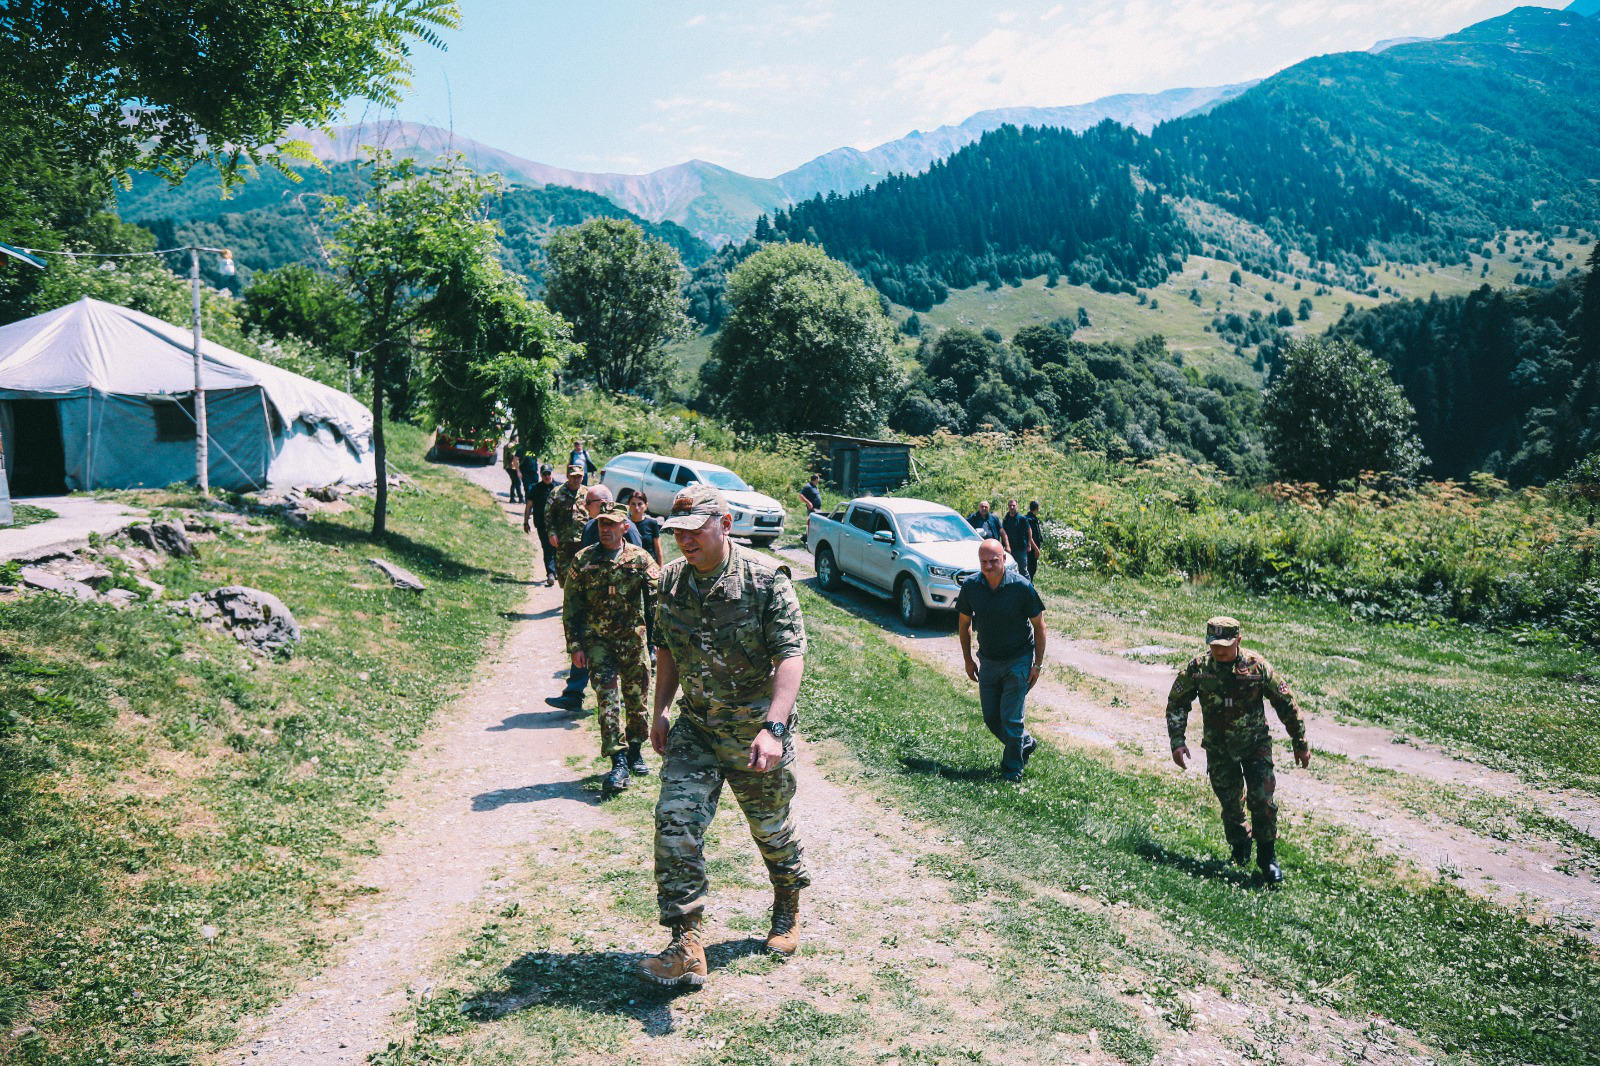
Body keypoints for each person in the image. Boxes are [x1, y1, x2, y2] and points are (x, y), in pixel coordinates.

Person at [639, 484, 810, 987]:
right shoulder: (669, 581)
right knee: (675, 821)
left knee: (771, 829)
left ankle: (787, 901)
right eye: (678, 533)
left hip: (755, 731)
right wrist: (661, 710)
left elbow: (790, 656)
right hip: (696, 727)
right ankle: (686, 942)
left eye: (696, 532)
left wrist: (774, 727)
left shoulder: (764, 579)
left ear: (726, 524)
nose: (685, 542)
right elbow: (667, 648)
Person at [1166, 616, 1310, 886]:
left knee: (1262, 801)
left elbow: (1286, 702)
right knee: (1231, 806)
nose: (1219, 651)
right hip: (1219, 749)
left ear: (1238, 641)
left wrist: (1299, 741)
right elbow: (1177, 702)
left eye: (1225, 645)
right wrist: (1177, 741)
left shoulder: (1257, 666)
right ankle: (1240, 846)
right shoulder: (1198, 668)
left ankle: (1267, 859)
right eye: (1214, 645)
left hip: (1255, 746)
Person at [564, 502, 661, 793]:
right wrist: (576, 645)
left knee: (637, 698)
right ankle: (617, 760)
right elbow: (571, 606)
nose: (605, 529)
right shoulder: (583, 560)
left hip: (632, 640)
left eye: (612, 524)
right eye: (602, 523)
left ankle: (634, 748)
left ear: (625, 527)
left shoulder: (641, 559)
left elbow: (656, 602)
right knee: (607, 699)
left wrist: (658, 642)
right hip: (597, 642)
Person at [957, 539, 1046, 782]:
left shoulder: (1021, 587)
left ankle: (1012, 772)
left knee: (1011, 719)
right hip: (989, 660)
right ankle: (1024, 743)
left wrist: (1037, 665)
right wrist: (967, 659)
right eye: (984, 562)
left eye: (994, 561)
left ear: (1004, 559)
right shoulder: (972, 586)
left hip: (1019, 658)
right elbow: (964, 624)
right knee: (991, 718)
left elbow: (1040, 626)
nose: (988, 566)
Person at [537, 466, 589, 712]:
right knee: (564, 578)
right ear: (567, 477)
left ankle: (577, 693)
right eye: (573, 476)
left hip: (584, 544)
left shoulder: (587, 494)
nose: (576, 480)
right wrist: (552, 533)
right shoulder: (557, 493)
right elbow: (548, 516)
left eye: (580, 476)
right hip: (565, 544)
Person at [577, 483, 644, 551]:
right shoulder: (589, 526)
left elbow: (637, 556)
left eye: (588, 502)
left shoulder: (625, 527)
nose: (585, 506)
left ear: (602, 503)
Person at [524, 463, 558, 586]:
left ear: (552, 473)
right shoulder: (535, 488)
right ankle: (550, 573)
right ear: (541, 475)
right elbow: (528, 506)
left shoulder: (559, 488)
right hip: (542, 524)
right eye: (544, 474)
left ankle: (556, 570)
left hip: (557, 524)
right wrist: (525, 521)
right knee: (547, 547)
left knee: (558, 547)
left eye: (549, 473)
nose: (547, 476)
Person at [1000, 499, 1034, 580]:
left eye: (1013, 505)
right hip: (1010, 549)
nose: (1012, 507)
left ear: (1016, 506)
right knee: (1011, 569)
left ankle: (1028, 587)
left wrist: (1029, 544)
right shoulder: (1006, 519)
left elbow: (1029, 531)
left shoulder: (1022, 519)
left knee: (1023, 569)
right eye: (1010, 506)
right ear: (1008, 507)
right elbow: (1003, 532)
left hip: (1021, 548)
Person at [629, 490, 664, 565]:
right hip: (630, 566)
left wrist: (661, 569)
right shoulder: (625, 524)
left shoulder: (652, 523)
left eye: (640, 504)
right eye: (633, 504)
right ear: (629, 505)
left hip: (649, 565)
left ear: (646, 505)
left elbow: (658, 550)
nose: (636, 507)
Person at [1024, 500, 1044, 581]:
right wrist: (1036, 549)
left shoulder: (1032, 518)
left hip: (1033, 547)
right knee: (1031, 568)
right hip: (1031, 548)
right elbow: (1029, 536)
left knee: (1032, 568)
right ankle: (1029, 585)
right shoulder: (1029, 520)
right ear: (1037, 508)